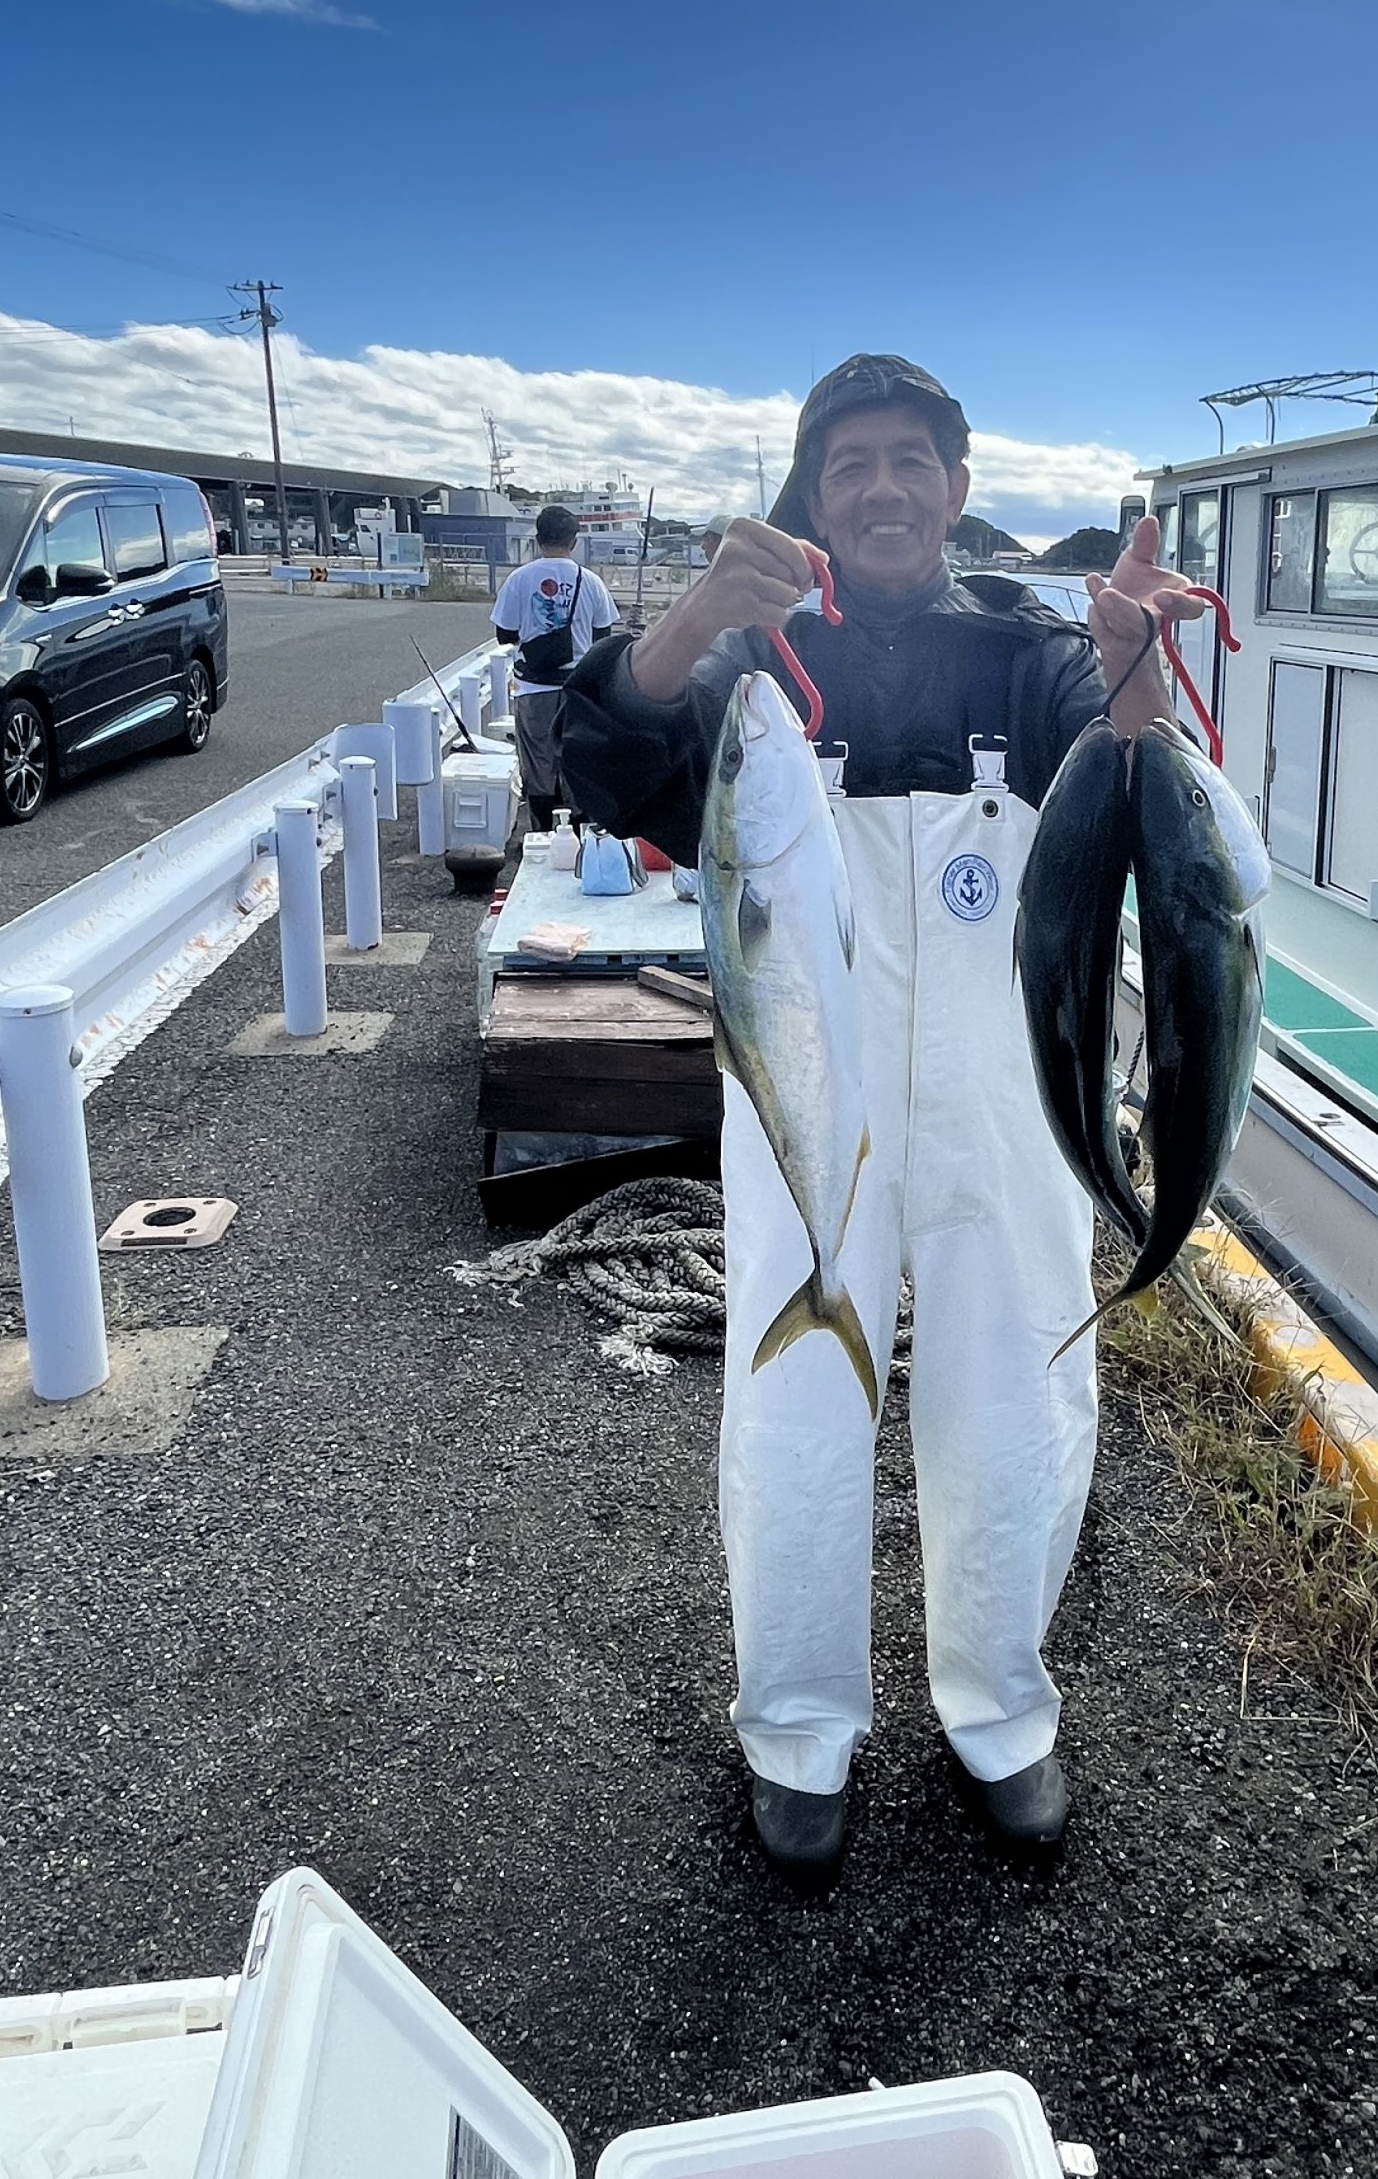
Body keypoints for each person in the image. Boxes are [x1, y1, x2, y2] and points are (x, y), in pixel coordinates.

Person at [560, 355, 1203, 1882]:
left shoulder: (1033, 652)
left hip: (1005, 1090)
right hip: (807, 1087)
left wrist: (1134, 663)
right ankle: (795, 1729)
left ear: (957, 489)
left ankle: (1002, 1713)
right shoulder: (753, 662)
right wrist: (691, 621)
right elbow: (604, 767)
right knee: (793, 1407)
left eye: (912, 459)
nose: (884, 488)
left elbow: (1133, 781)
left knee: (1017, 1395)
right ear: (813, 493)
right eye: (849, 464)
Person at [492, 506, 619, 831]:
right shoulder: (590, 581)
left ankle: (543, 833)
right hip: (578, 690)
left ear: (537, 539)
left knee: (538, 763)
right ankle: (582, 835)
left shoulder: (519, 579)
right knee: (578, 761)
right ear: (574, 541)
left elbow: (504, 634)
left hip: (534, 689)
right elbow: (603, 638)